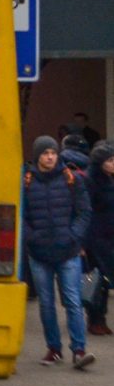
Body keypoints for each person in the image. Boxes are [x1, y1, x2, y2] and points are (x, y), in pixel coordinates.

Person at [23, 136, 95, 369]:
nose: (50, 157)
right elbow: (20, 215)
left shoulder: (71, 179)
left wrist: (73, 236)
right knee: (46, 303)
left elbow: (84, 212)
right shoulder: (26, 181)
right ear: (37, 157)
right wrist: (32, 237)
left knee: (73, 301)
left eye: (53, 152)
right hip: (39, 254)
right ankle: (54, 349)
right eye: (45, 153)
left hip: (68, 251)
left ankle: (79, 350)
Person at [84, 141, 114, 335]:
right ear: (100, 162)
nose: (113, 164)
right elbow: (87, 211)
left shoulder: (109, 179)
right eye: (110, 160)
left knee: (104, 279)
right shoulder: (91, 181)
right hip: (95, 238)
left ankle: (100, 318)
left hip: (109, 237)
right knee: (96, 279)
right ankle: (95, 318)